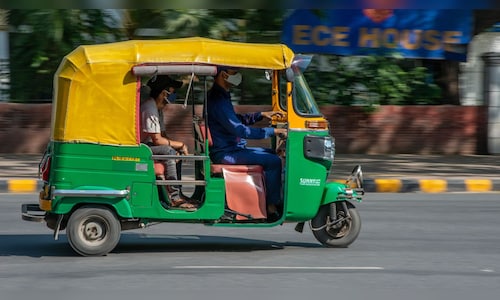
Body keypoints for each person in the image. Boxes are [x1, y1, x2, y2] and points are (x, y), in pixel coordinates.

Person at [206, 66, 287, 221]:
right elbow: (241, 131)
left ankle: (267, 197)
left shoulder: (222, 97)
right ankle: (271, 206)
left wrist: (260, 115)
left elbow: (236, 120)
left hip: (232, 149)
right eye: (234, 73)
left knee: (271, 153)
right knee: (274, 161)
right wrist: (274, 132)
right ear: (223, 75)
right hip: (227, 153)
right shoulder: (218, 100)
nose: (238, 76)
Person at [140, 74, 197, 210]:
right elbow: (158, 140)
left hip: (149, 145)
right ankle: (174, 197)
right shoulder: (149, 108)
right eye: (172, 92)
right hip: (141, 147)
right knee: (169, 151)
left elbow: (164, 135)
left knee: (174, 150)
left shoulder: (158, 109)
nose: (173, 95)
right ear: (163, 93)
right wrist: (181, 145)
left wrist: (179, 147)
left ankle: (179, 193)